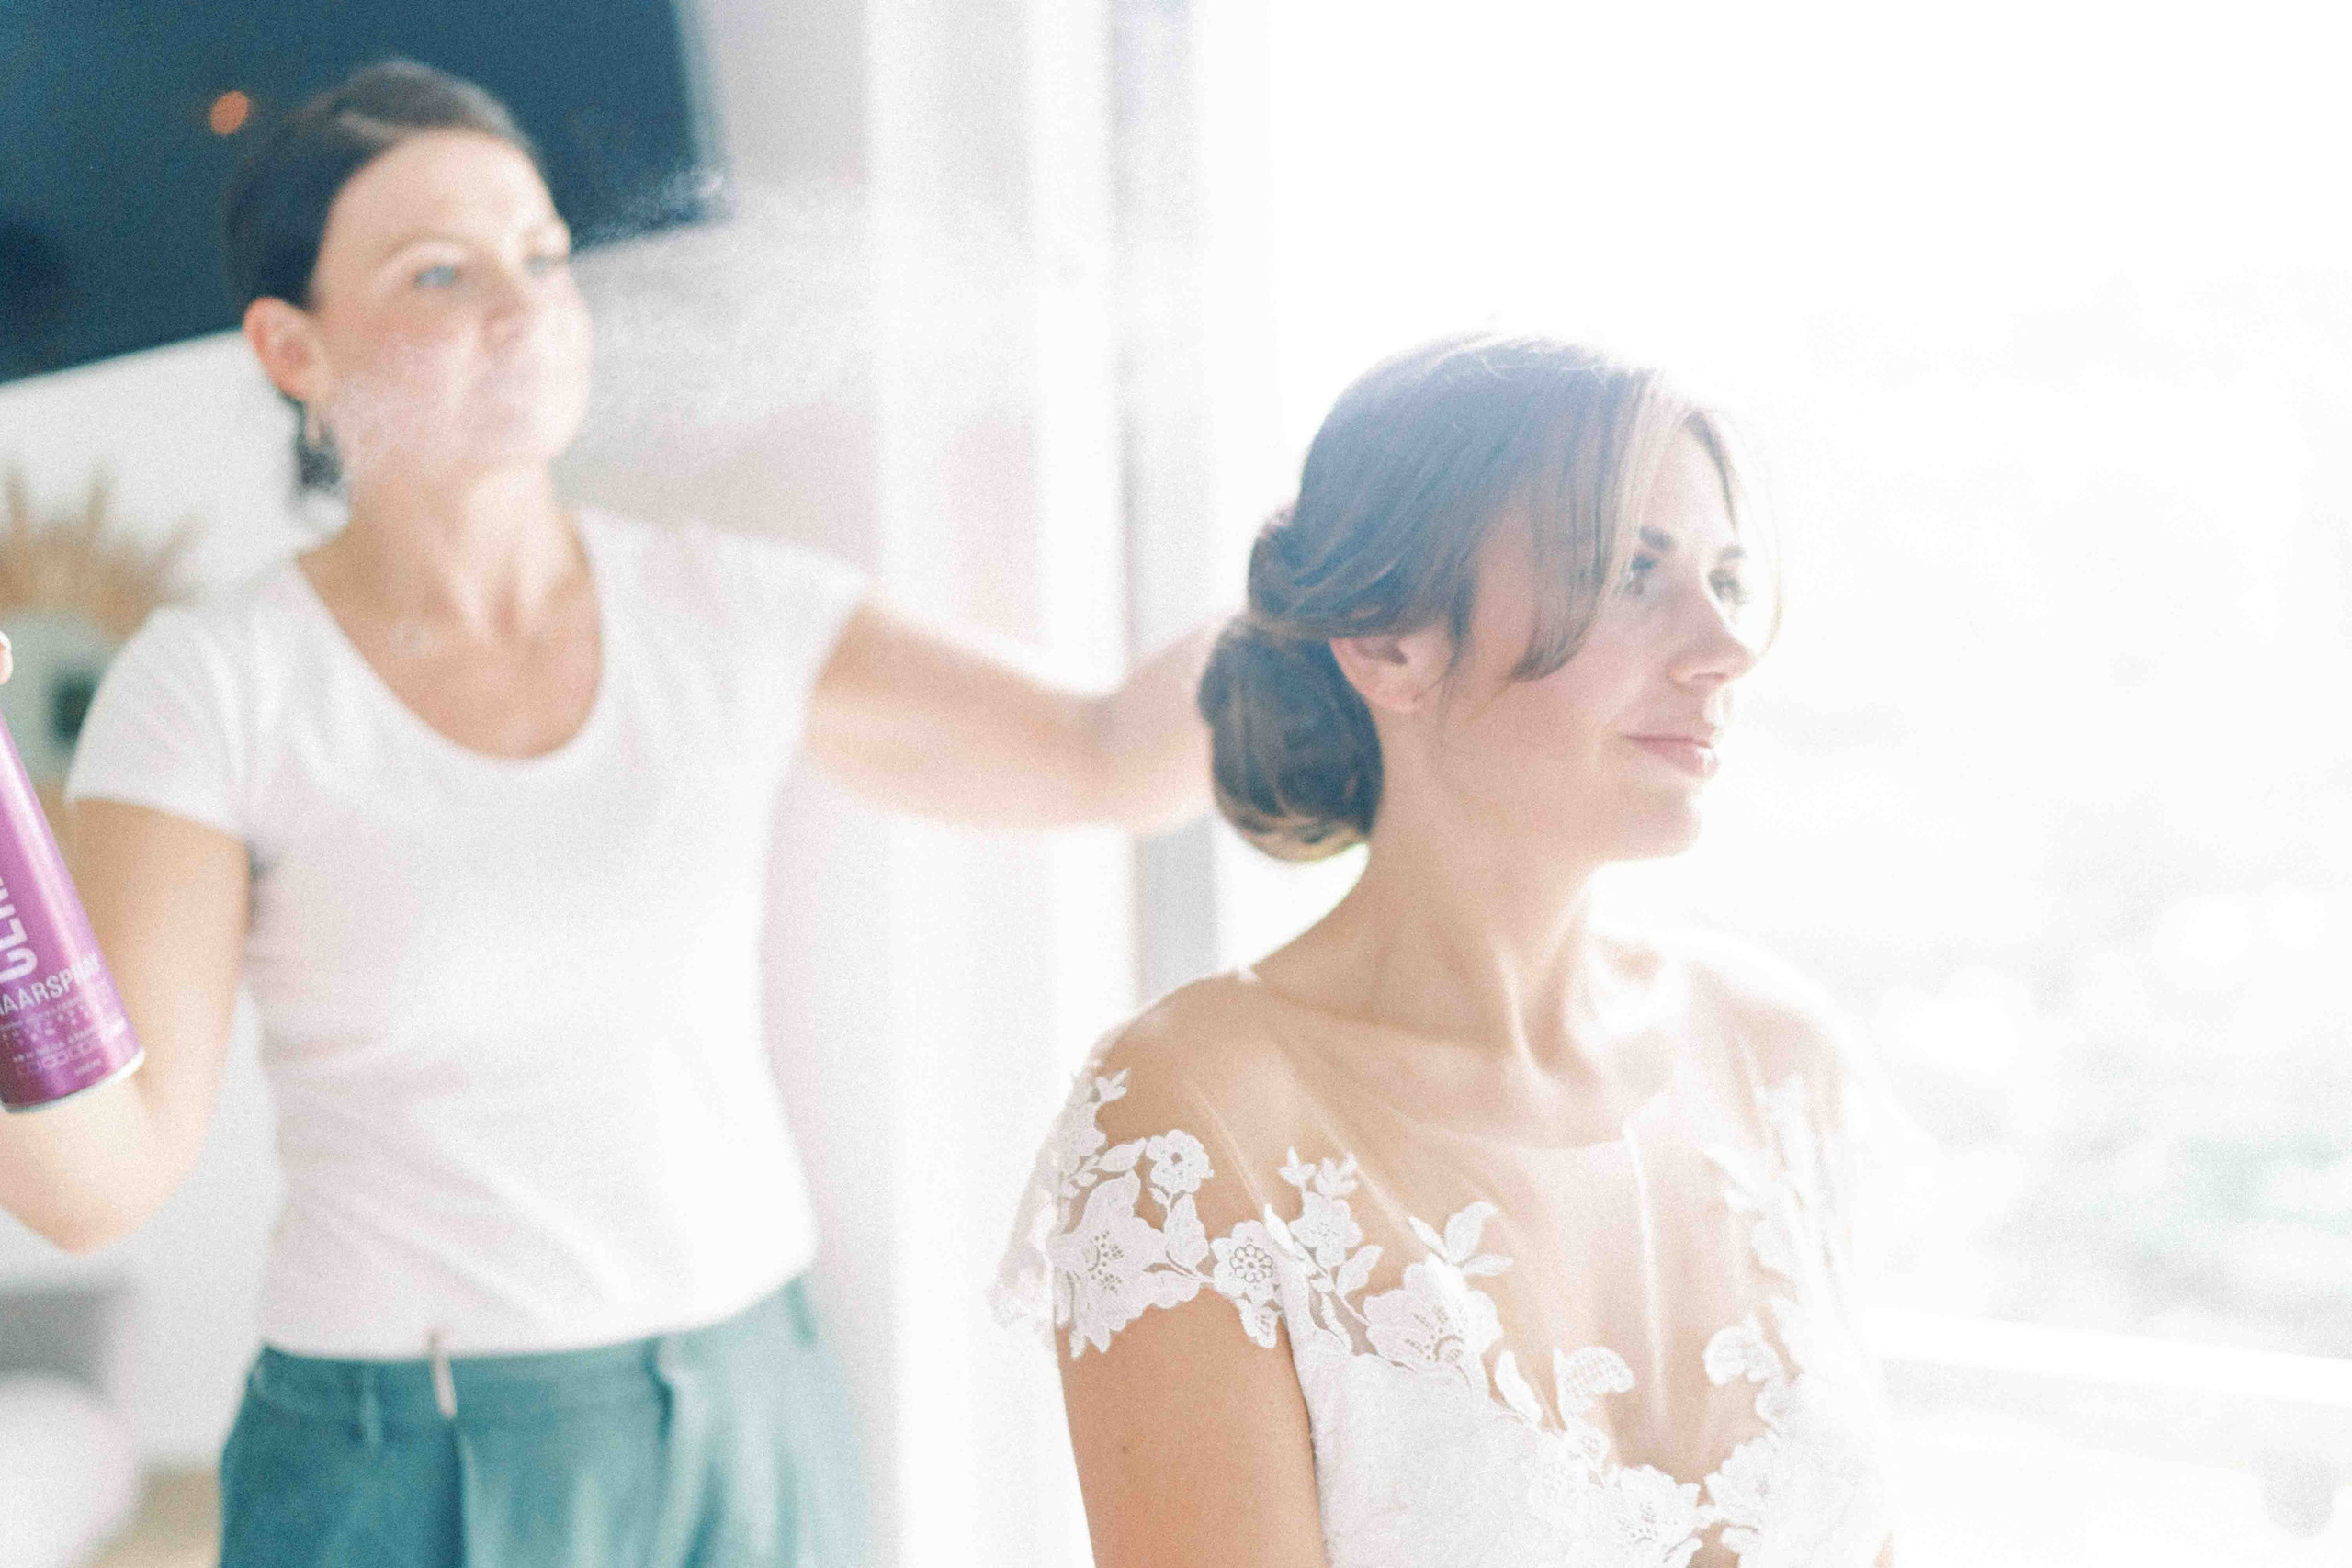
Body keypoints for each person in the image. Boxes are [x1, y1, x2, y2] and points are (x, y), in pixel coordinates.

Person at [0, 62, 1212, 1567]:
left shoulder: (728, 608)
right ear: (292, 347)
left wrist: (1336, 578)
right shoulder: (215, 688)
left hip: (754, 1411)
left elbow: (1108, 756)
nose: (522, 306)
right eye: (438, 272)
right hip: (413, 1463)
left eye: (542, 256)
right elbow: (95, 1181)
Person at [998, 333, 1899, 1566]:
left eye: (1726, 581)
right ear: (1388, 648)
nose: (1723, 647)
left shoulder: (1777, 1053)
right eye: (1636, 576)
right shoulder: (1192, 1122)